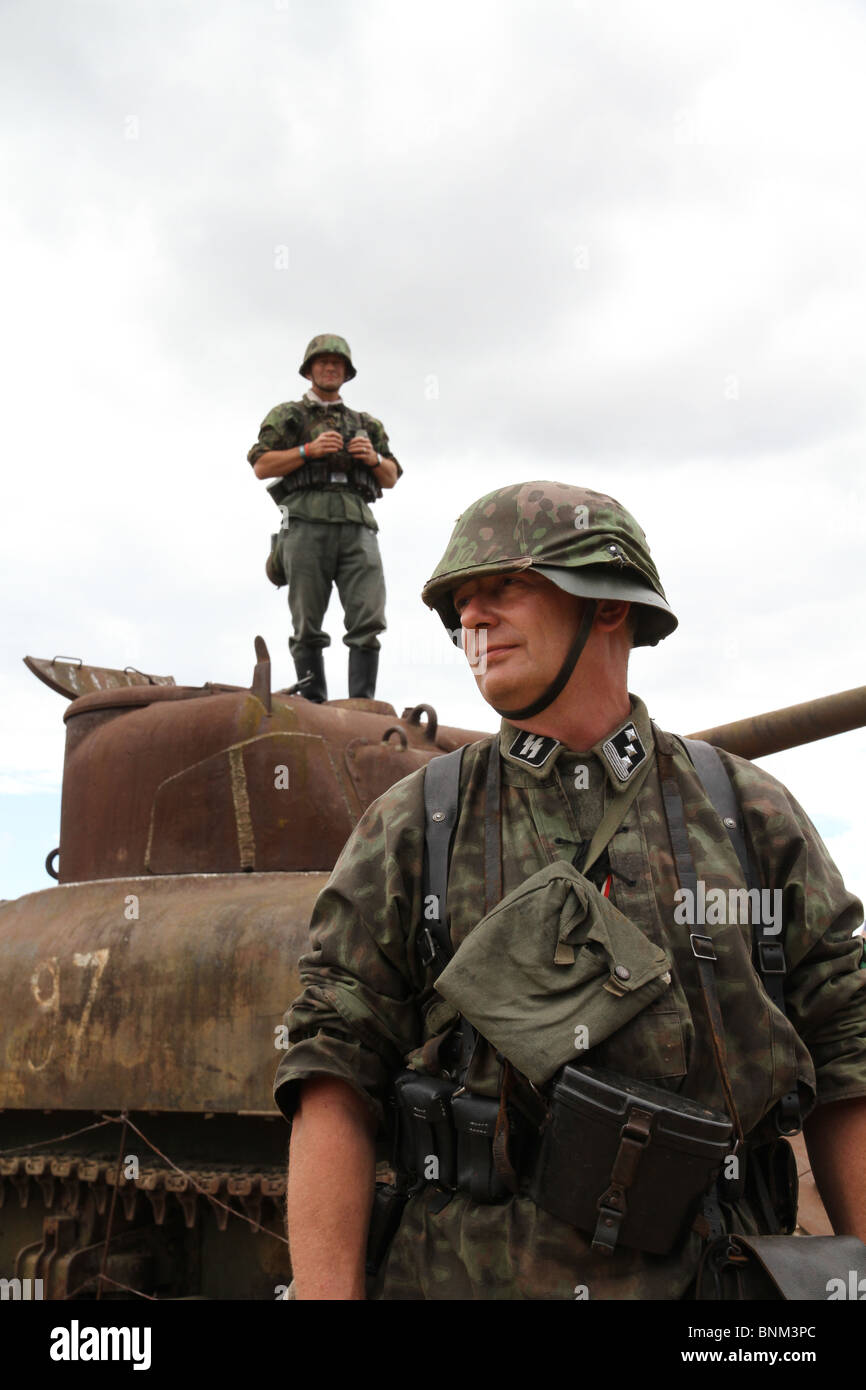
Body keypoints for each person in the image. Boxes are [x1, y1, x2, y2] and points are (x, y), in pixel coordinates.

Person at [274, 481, 866, 1300]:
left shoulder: (746, 816)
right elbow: (333, 1068)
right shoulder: (418, 824)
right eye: (459, 606)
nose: (472, 620)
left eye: (502, 587)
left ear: (609, 606)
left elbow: (847, 1054)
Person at [247, 334, 401, 701]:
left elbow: (391, 476)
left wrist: (373, 459)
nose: (330, 368)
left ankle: (361, 704)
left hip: (357, 525)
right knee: (307, 622)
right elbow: (261, 465)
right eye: (323, 362)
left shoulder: (365, 424)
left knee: (368, 617)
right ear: (309, 370)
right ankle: (313, 702)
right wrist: (307, 450)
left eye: (337, 364)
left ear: (346, 373)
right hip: (305, 522)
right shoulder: (289, 415)